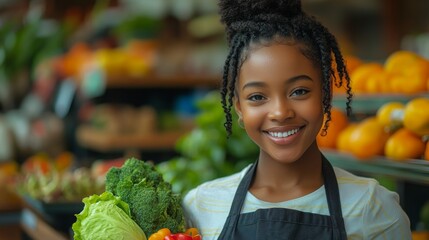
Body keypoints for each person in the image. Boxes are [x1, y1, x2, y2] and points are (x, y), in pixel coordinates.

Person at [182, 0, 412, 239]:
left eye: (299, 91)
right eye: (258, 96)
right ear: (239, 107)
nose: (280, 112)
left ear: (325, 93)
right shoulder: (201, 207)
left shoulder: (373, 209)